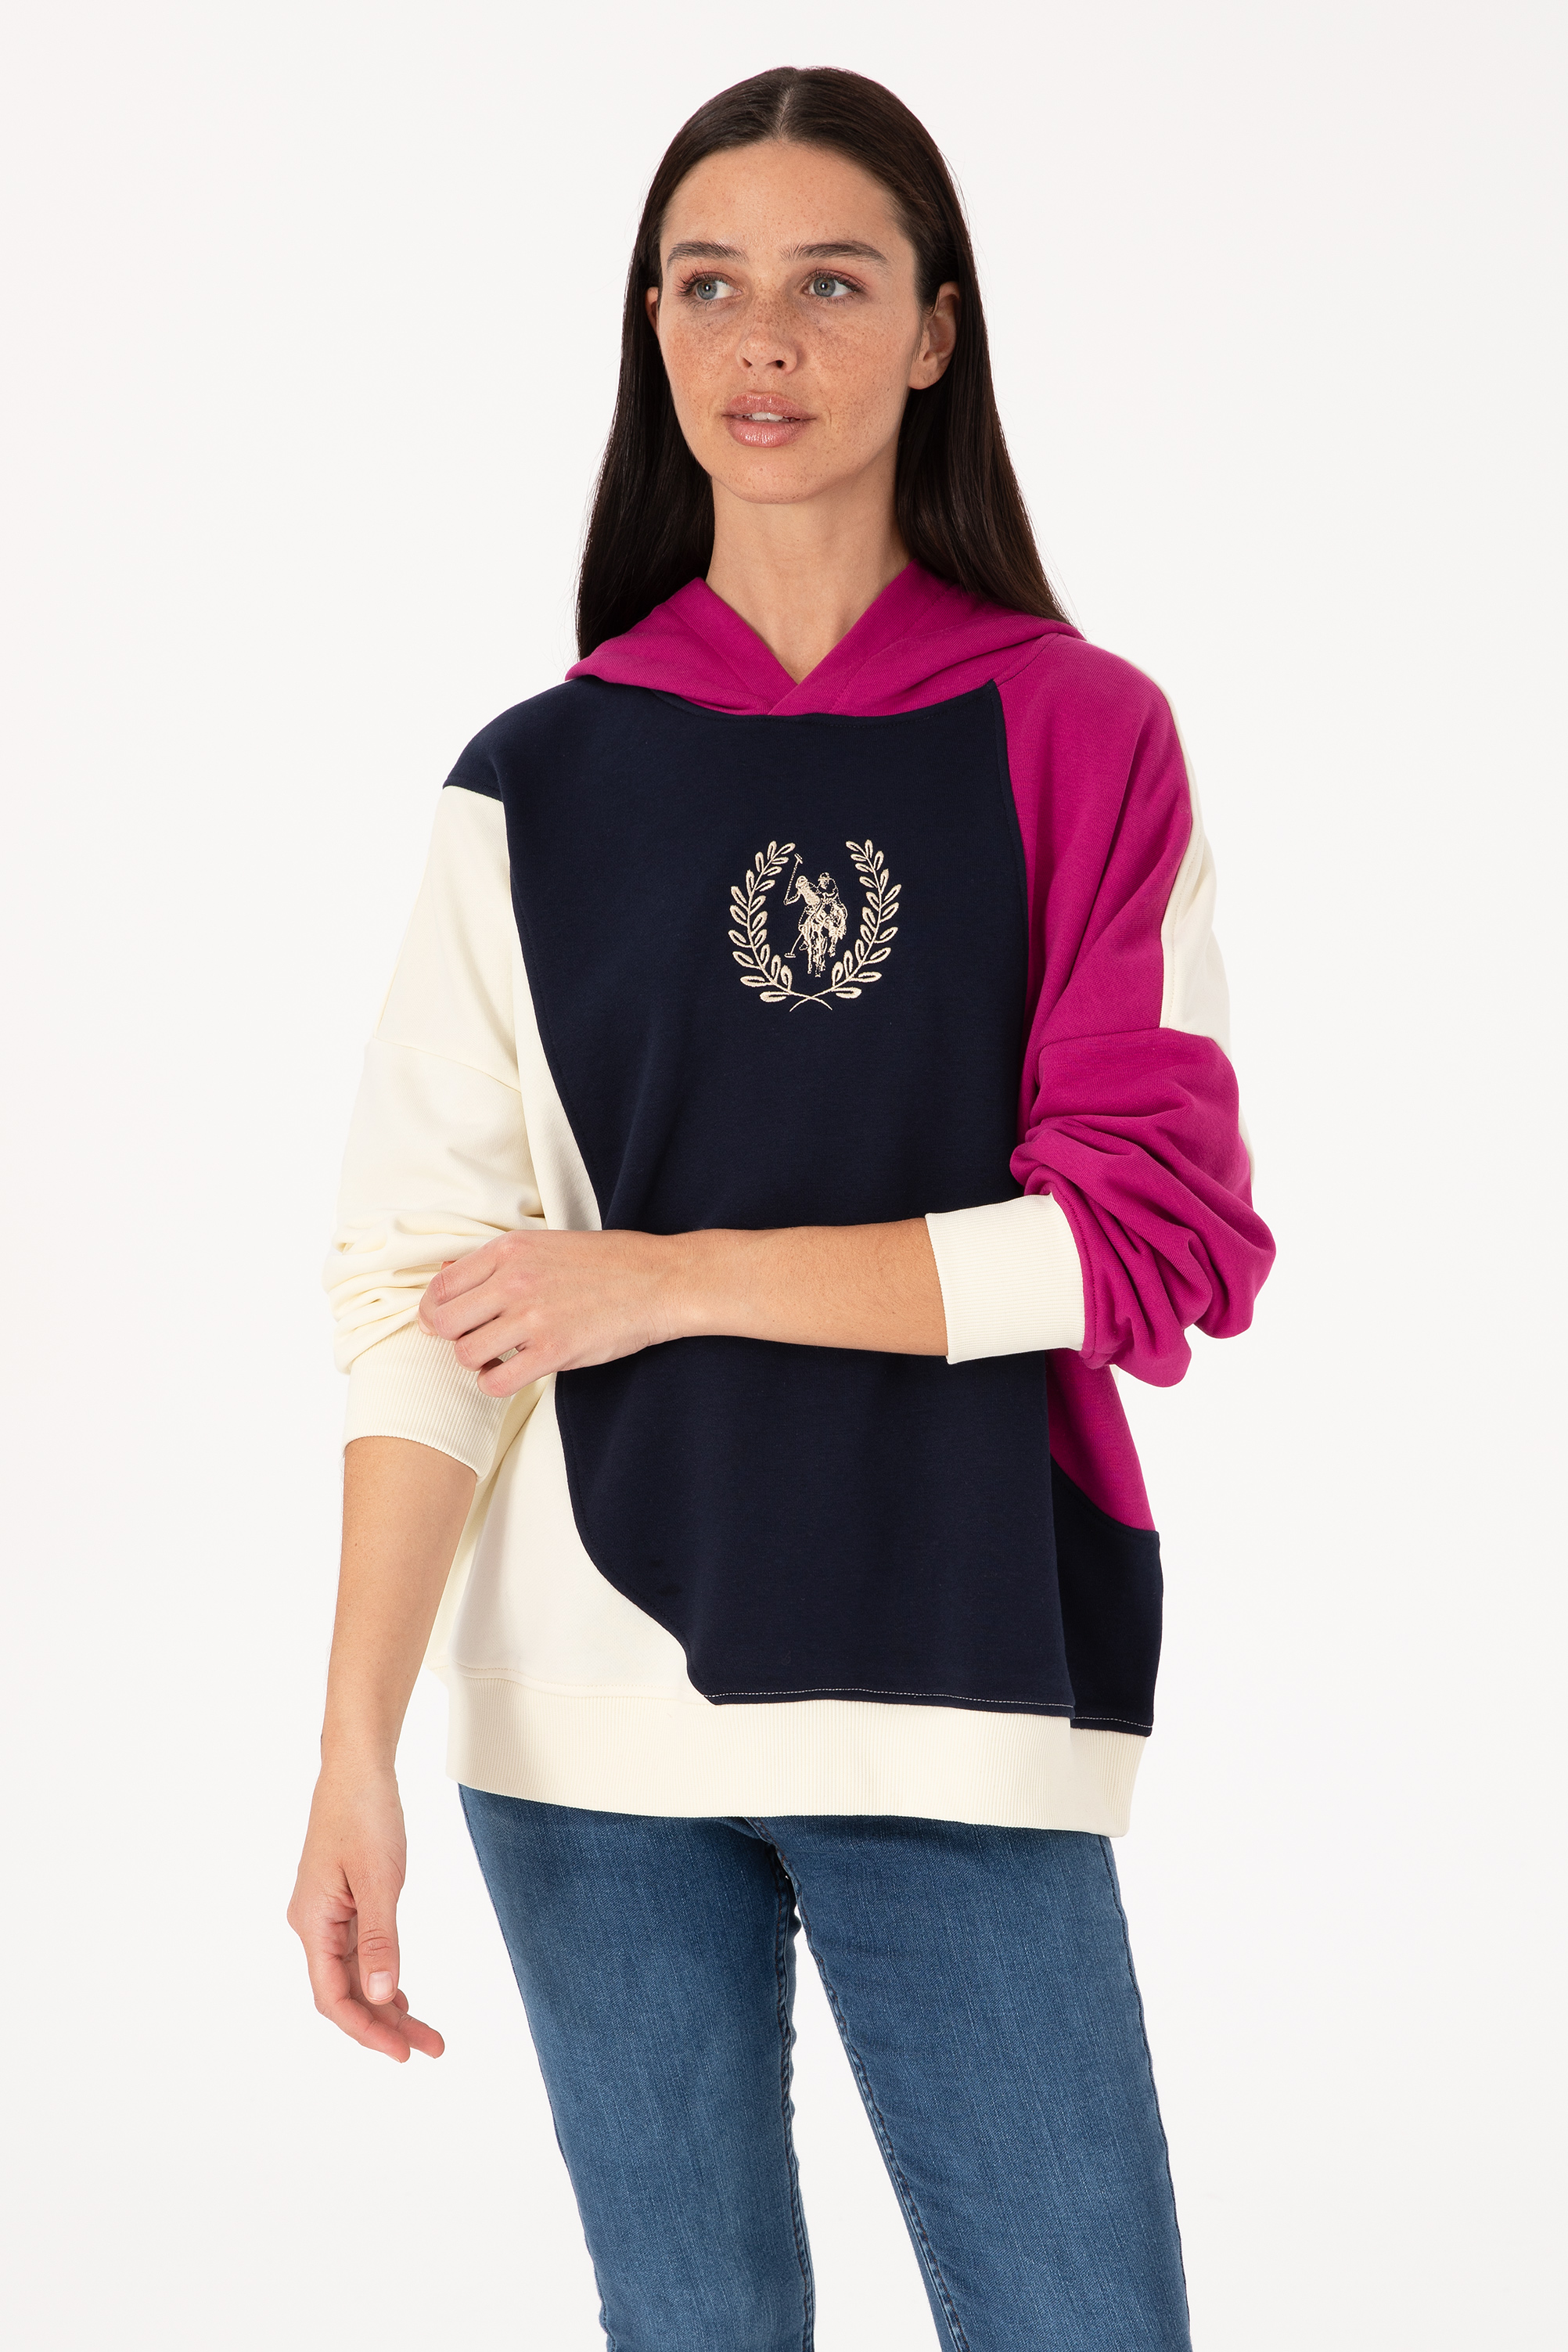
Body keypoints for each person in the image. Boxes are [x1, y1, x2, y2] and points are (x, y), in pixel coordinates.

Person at [289, 63, 1275, 2352]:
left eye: (832, 284)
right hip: (576, 1707)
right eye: (707, 284)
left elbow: (1149, 1247)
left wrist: (661, 1283)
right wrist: (351, 1745)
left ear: (934, 329)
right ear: (650, 329)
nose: (763, 340)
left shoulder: (1079, 734)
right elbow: (418, 1289)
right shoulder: (535, 780)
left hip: (961, 1664)